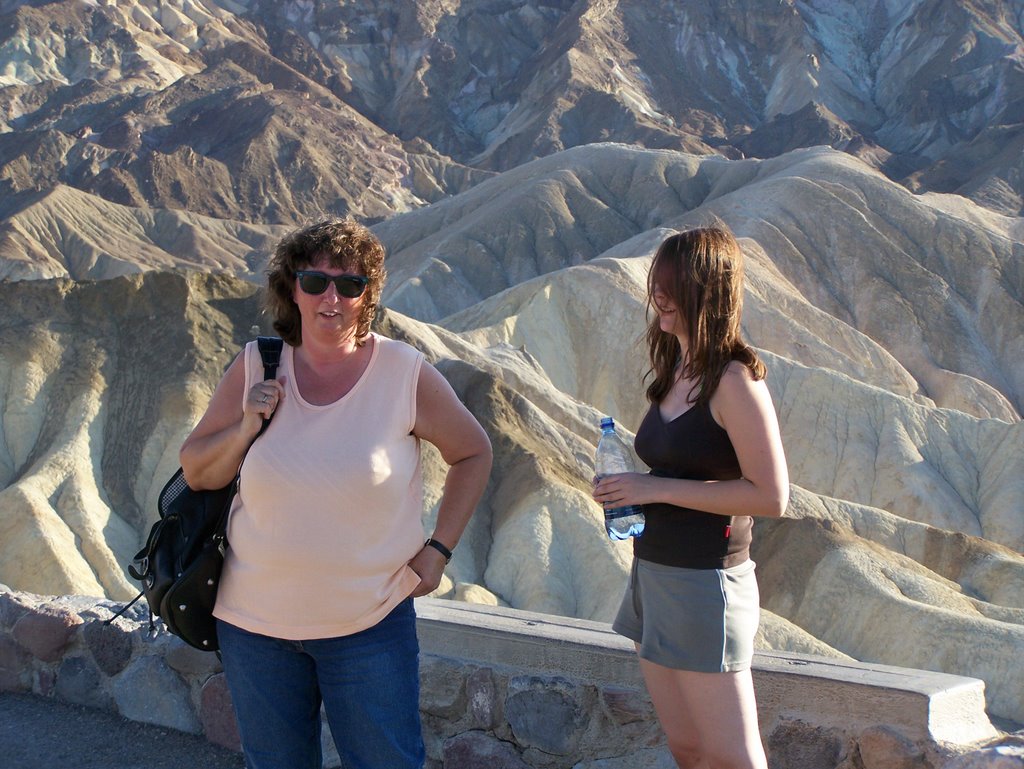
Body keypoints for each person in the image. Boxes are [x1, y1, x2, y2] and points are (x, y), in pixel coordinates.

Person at [179, 218, 493, 769]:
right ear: (291, 289)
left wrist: (438, 550)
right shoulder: (258, 364)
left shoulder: (403, 372)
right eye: (315, 281)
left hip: (368, 626)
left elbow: (473, 452)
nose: (332, 298)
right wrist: (247, 425)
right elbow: (199, 471)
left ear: (367, 296)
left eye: (350, 285)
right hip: (254, 629)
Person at [592, 225, 789, 769]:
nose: (658, 297)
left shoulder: (734, 381)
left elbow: (772, 495)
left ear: (707, 292)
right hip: (652, 573)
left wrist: (650, 488)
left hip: (705, 585)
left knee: (732, 756)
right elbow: (675, 469)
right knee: (688, 748)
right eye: (657, 284)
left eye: (671, 286)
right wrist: (626, 489)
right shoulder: (676, 369)